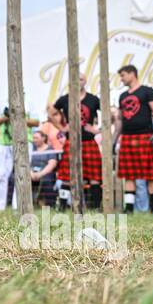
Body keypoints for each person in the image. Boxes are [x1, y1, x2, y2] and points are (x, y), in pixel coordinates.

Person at [115, 64, 153, 213]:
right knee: (129, 175)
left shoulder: (147, 91)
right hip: (128, 137)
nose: (121, 79)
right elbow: (119, 120)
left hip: (146, 136)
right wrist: (115, 140)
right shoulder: (122, 96)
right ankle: (129, 208)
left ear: (132, 74)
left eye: (123, 75)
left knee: (151, 174)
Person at [53, 74, 103, 209]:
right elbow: (51, 113)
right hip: (72, 142)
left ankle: (96, 208)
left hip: (89, 141)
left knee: (94, 177)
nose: (78, 81)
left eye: (81, 79)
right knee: (67, 175)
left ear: (85, 81)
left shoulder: (93, 99)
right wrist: (62, 128)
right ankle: (62, 207)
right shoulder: (65, 99)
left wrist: (98, 130)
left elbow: (110, 114)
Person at [29, 130, 61, 208]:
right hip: (31, 172)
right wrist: (31, 173)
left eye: (36, 138)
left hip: (45, 172)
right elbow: (26, 163)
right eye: (33, 138)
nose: (34, 140)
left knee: (47, 180)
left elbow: (52, 164)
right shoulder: (31, 148)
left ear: (43, 138)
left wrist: (40, 174)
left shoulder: (50, 149)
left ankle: (50, 205)